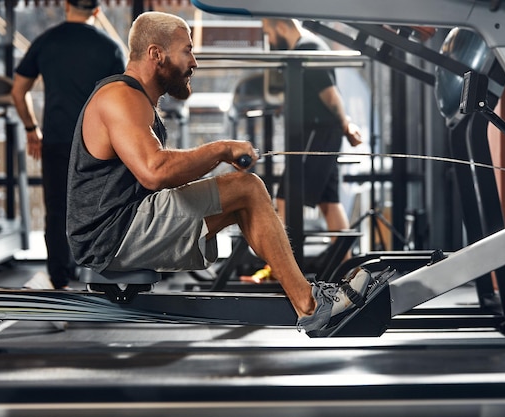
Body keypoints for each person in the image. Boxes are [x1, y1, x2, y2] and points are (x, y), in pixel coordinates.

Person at [65, 11, 373, 336]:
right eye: (187, 50)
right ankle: (311, 306)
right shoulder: (121, 96)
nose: (194, 62)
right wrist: (222, 150)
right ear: (157, 54)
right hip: (111, 234)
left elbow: (156, 177)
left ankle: (304, 297)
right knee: (248, 189)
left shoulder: (136, 100)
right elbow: (154, 172)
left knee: (243, 195)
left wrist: (216, 175)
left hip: (121, 228)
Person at [11, 0, 126, 289]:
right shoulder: (109, 46)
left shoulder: (46, 41)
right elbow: (123, 98)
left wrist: (31, 128)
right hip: (98, 143)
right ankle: (101, 280)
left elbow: (17, 91)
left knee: (57, 210)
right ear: (97, 11)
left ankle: (59, 281)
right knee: (102, 209)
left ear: (66, 6)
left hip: (59, 140)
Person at [262, 18, 363, 235]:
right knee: (329, 202)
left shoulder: (307, 47)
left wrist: (346, 125)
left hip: (316, 134)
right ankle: (348, 267)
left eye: (268, 32)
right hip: (322, 132)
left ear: (280, 27)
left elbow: (330, 94)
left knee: (286, 199)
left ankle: (285, 266)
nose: (269, 39)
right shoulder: (309, 45)